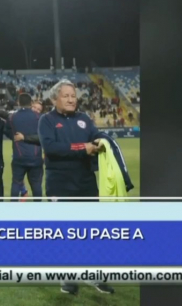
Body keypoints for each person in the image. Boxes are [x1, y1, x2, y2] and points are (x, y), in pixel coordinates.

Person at [38, 79, 114, 295]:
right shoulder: (47, 120)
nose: (72, 99)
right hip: (60, 185)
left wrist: (103, 141)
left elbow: (95, 136)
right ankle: (68, 279)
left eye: (73, 95)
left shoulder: (84, 119)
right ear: (55, 99)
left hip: (86, 183)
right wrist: (83, 148)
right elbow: (50, 148)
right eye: (66, 96)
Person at [5, 94, 43, 201]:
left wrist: (14, 137)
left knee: (16, 183)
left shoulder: (12, 117)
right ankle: (38, 211)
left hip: (19, 157)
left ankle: (13, 210)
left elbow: (6, 130)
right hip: (35, 158)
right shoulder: (38, 117)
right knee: (36, 185)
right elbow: (43, 137)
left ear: (18, 103)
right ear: (31, 103)